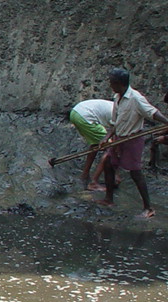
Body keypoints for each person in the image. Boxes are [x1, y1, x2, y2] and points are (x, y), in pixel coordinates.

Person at [97, 68, 168, 218]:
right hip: (119, 138)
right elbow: (114, 122)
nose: (110, 85)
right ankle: (109, 199)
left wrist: (167, 122)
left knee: (135, 173)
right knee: (109, 164)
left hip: (132, 139)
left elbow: (152, 112)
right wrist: (107, 137)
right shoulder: (117, 97)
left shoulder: (136, 98)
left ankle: (148, 208)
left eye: (112, 82)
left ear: (119, 83)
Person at [68, 98, 114, 188]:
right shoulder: (123, 114)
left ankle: (85, 174)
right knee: (111, 148)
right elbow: (114, 130)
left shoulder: (117, 106)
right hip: (85, 116)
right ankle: (94, 182)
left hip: (75, 112)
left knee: (95, 144)